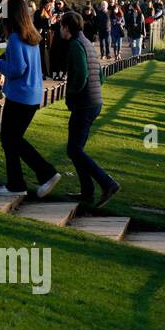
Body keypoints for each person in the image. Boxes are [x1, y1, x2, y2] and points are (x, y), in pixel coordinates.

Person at [0, 0, 61, 200]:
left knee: (10, 138)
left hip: (19, 95)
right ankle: (16, 182)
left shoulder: (15, 38)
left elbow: (17, 69)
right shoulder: (32, 36)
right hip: (32, 95)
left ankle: (45, 172)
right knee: (11, 140)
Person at [58, 11, 121, 210]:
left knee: (74, 149)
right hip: (94, 101)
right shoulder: (86, 42)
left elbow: (81, 76)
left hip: (84, 103)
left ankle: (107, 183)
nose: (60, 29)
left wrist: (71, 96)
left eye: (61, 25)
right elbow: (100, 76)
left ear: (67, 27)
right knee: (76, 150)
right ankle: (87, 192)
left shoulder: (76, 45)